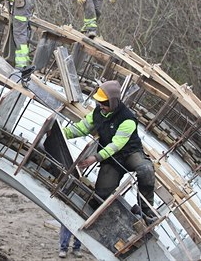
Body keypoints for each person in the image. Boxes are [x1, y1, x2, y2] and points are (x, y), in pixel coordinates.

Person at [64, 80, 156, 222]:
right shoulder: (98, 112)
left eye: (104, 103)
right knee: (100, 195)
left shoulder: (127, 119)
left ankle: (147, 212)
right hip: (112, 158)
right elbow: (82, 128)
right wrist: (63, 133)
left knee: (145, 169)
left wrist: (95, 158)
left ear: (112, 101)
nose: (101, 106)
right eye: (100, 102)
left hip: (130, 153)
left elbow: (116, 145)